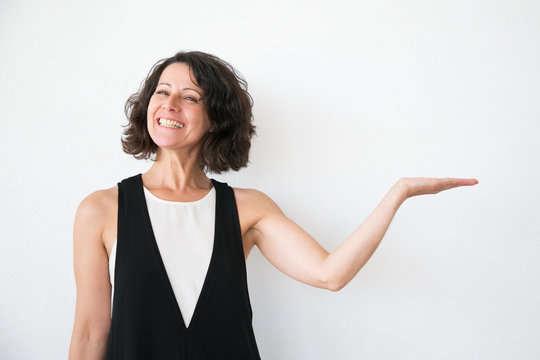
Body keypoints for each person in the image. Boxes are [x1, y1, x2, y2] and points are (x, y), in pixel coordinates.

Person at [68, 50, 478, 359]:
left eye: (190, 97)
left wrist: (400, 192)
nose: (170, 104)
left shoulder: (248, 209)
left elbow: (329, 274)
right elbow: (90, 333)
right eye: (162, 91)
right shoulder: (101, 210)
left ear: (216, 118)